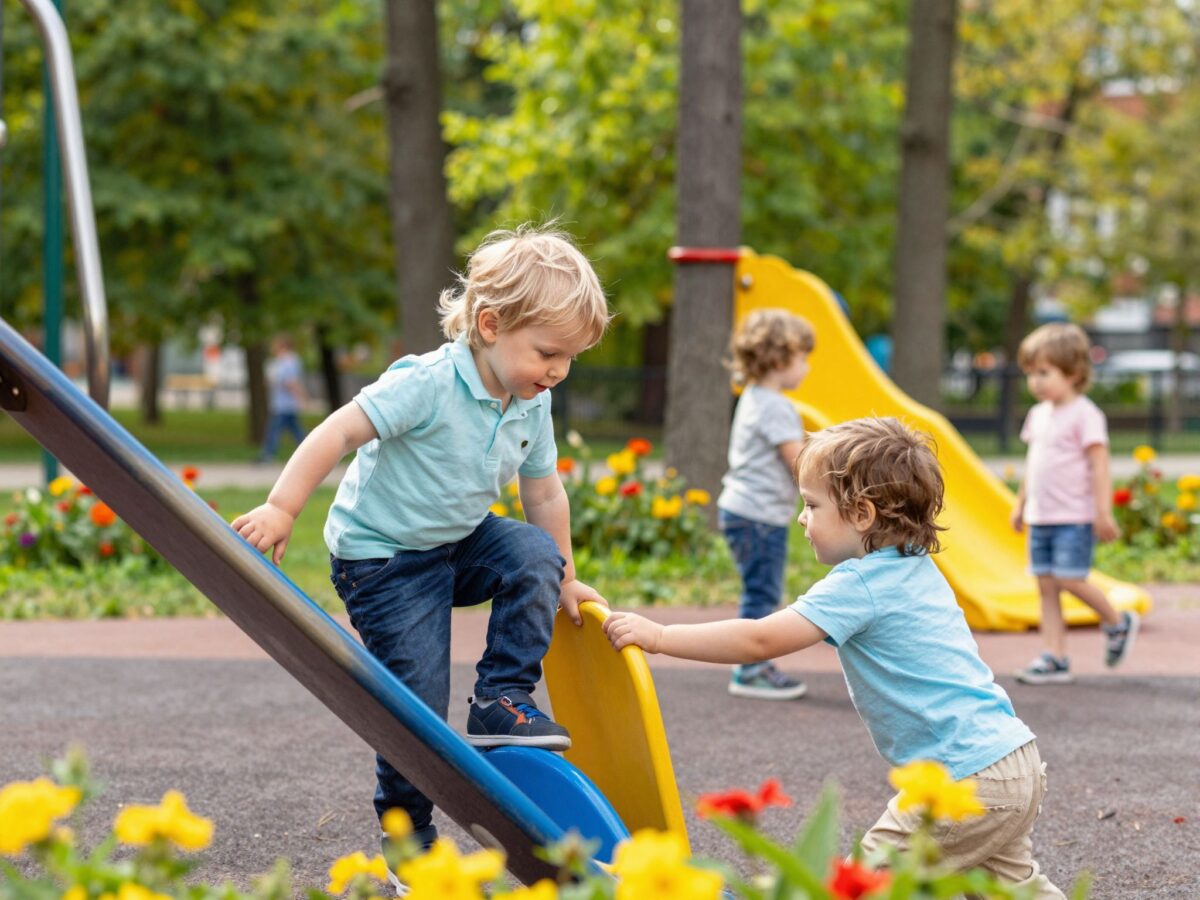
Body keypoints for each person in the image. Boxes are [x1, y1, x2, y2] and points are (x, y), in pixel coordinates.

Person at [231, 225, 610, 854]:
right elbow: (337, 433)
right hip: (382, 559)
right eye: (548, 352)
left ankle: (501, 697)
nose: (559, 371)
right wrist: (280, 506)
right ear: (490, 325)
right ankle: (409, 834)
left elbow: (543, 493)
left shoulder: (530, 403)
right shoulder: (427, 382)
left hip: (456, 541)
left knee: (536, 556)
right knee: (416, 708)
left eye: (570, 358)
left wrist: (564, 579)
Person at [604, 418, 1065, 898]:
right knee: (1017, 892)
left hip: (964, 778)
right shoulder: (916, 566)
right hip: (1014, 761)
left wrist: (659, 636)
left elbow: (760, 641)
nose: (801, 517)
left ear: (862, 514)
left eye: (811, 504)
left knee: (854, 887)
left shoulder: (861, 585)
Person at [1011, 323, 1137, 685]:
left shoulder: (1086, 414)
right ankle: (1054, 657)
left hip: (1074, 517)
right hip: (1041, 516)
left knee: (1070, 579)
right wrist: (1021, 504)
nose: (1034, 381)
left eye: (1043, 372)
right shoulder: (1038, 415)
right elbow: (1033, 464)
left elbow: (1100, 465)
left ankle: (1117, 621)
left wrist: (1102, 511)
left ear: (1074, 373)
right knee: (1046, 587)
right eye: (1030, 373)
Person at [718, 309, 813, 700]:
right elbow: (799, 462)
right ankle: (750, 668)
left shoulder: (753, 398)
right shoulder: (775, 405)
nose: (806, 368)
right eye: (803, 358)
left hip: (744, 511)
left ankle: (753, 663)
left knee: (758, 590)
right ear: (779, 359)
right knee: (761, 593)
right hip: (758, 517)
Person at [258, 336, 307, 463]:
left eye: (275, 345)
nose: (273, 348)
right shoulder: (279, 362)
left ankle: (267, 455)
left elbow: (291, 382)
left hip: (285, 404)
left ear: (282, 346)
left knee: (274, 430)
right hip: (281, 404)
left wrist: (301, 398)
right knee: (296, 431)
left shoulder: (290, 361)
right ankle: (310, 453)